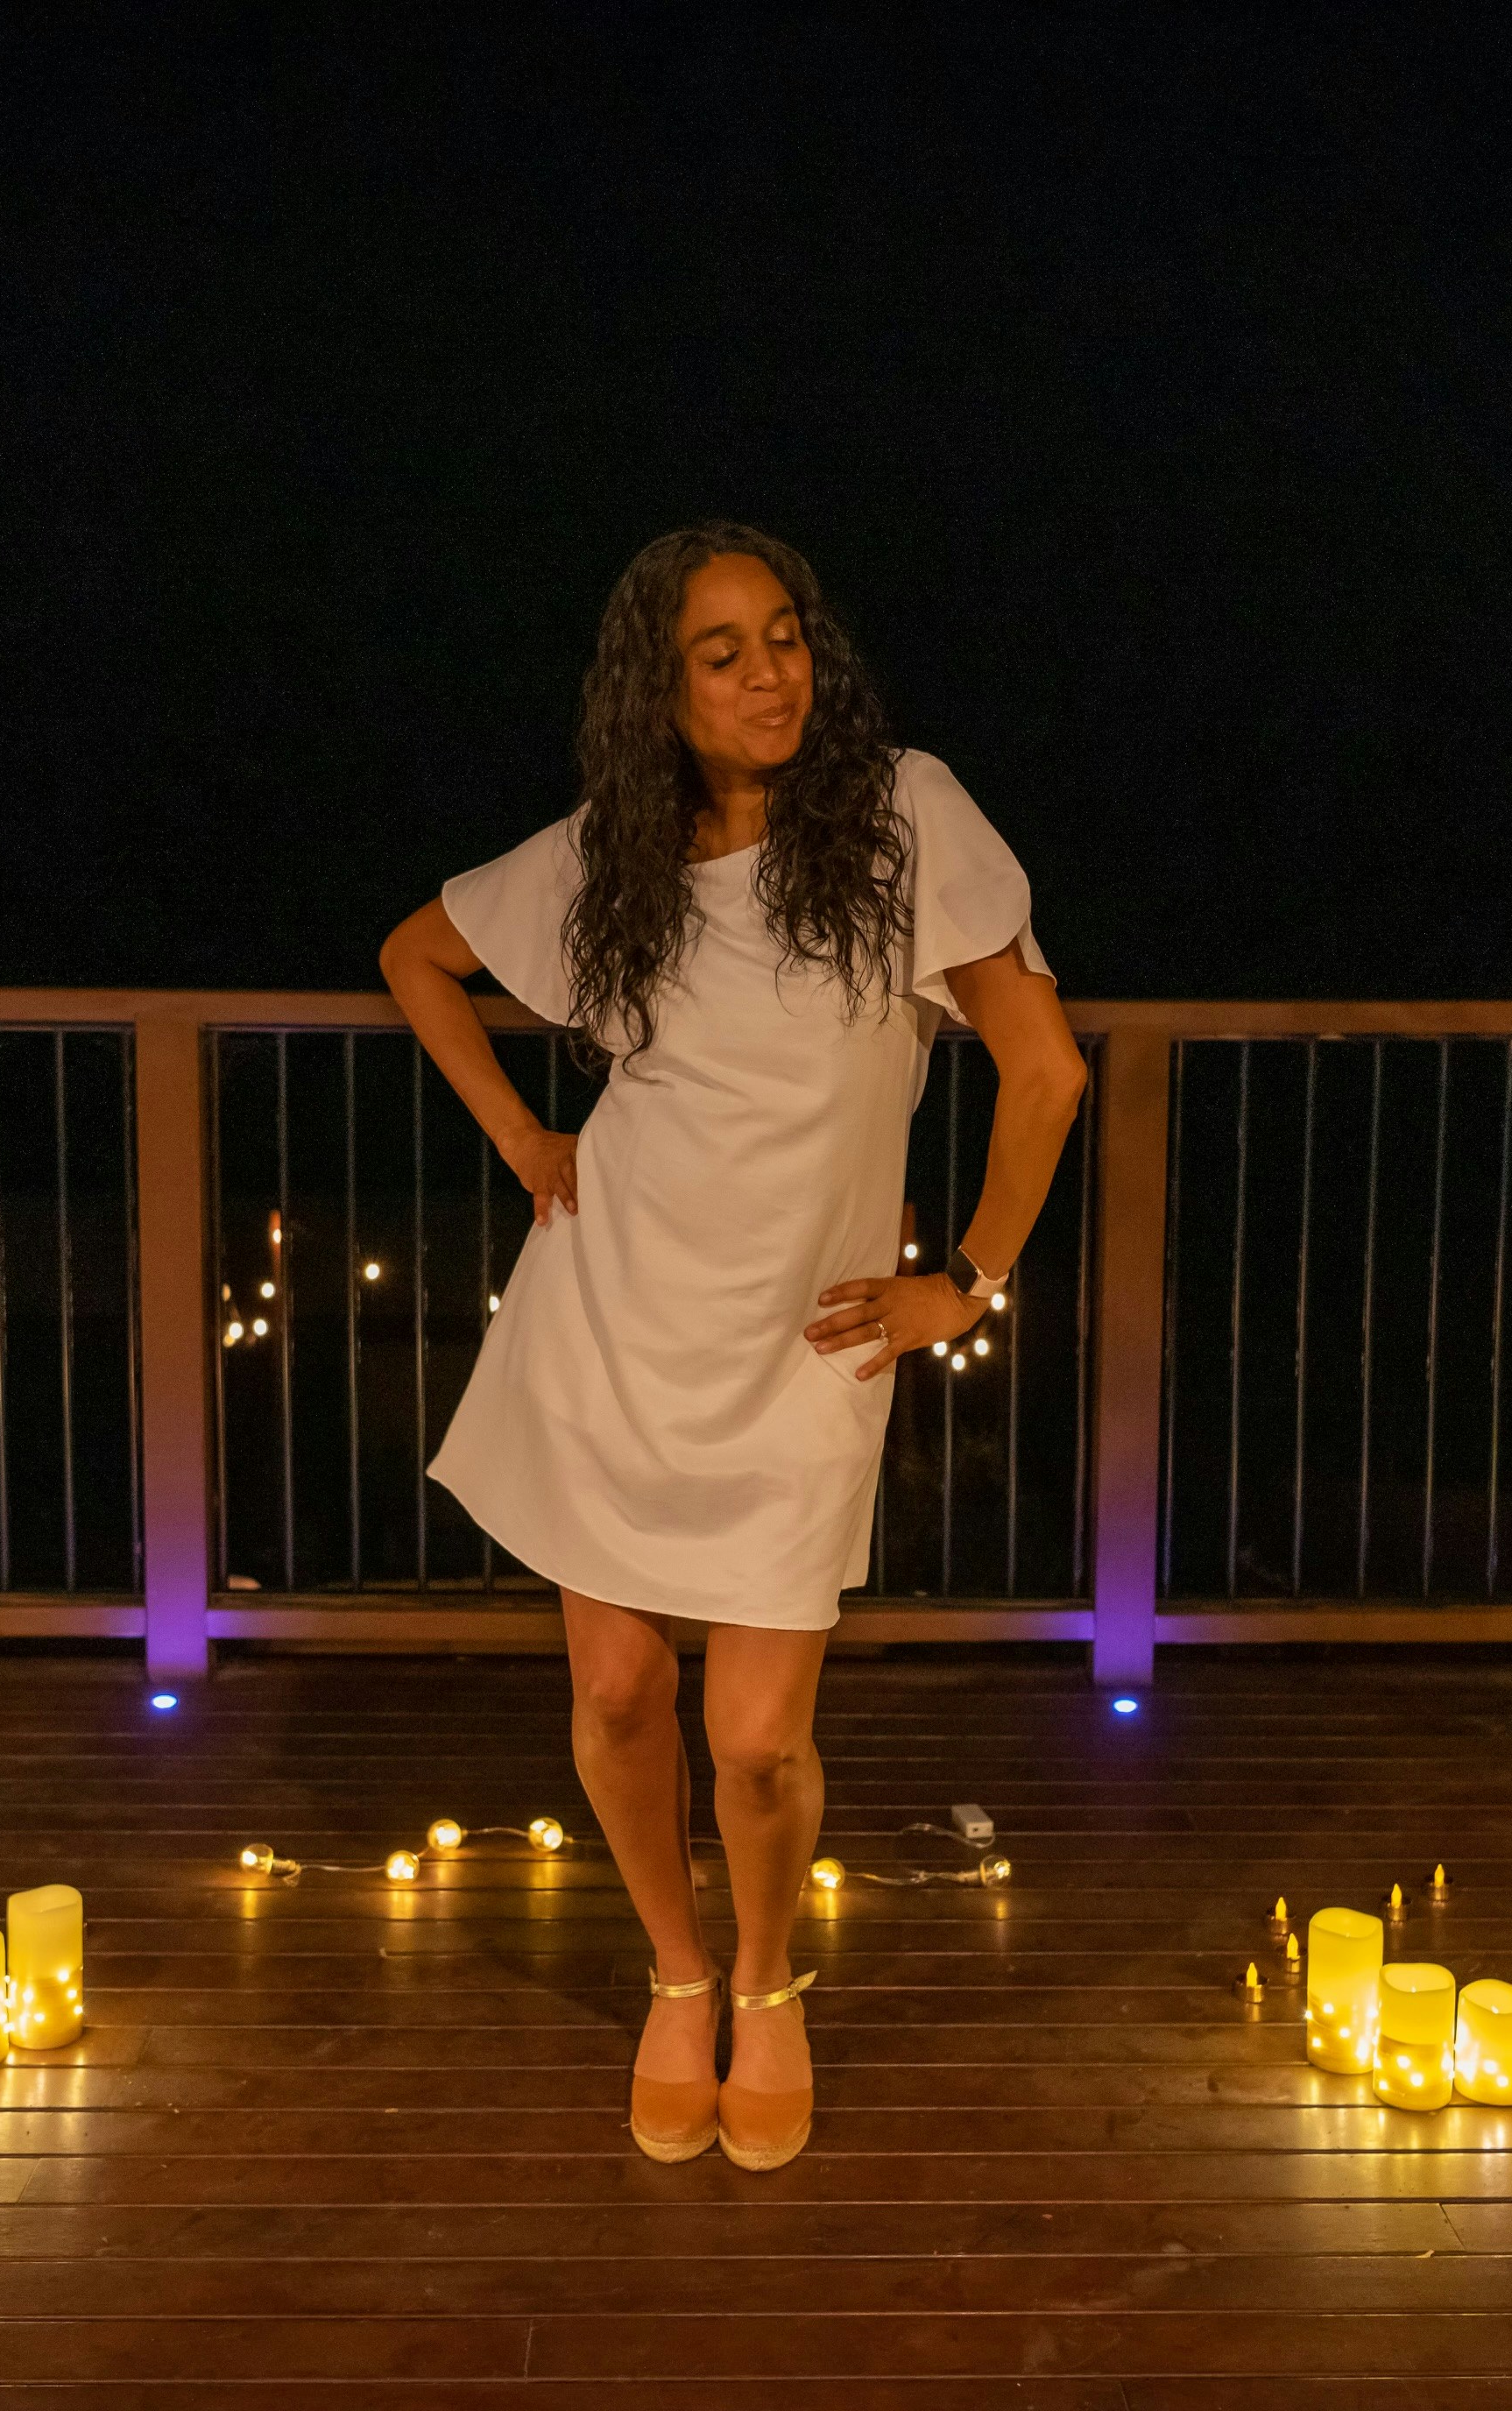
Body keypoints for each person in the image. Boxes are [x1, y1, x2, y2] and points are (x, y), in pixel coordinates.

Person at [377, 523, 1087, 2172]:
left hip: (805, 1345)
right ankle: (676, 1975)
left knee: (758, 1736)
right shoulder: (611, 862)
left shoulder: (908, 816)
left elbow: (1044, 1078)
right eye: (724, 653)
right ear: (661, 692)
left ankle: (768, 1980)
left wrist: (961, 1282)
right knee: (620, 1699)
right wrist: (521, 1138)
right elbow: (417, 956)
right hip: (608, 1309)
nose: (772, 673)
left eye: (786, 637)